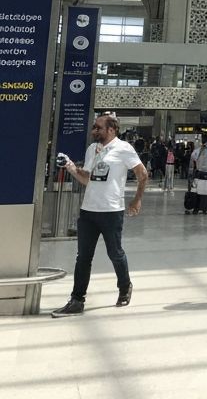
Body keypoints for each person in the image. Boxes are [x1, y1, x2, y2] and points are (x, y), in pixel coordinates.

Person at [51, 113, 148, 317]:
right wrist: (70, 166)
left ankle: (125, 286)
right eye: (94, 127)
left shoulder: (124, 149)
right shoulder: (91, 149)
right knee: (83, 257)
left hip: (111, 211)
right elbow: (87, 179)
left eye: (98, 127)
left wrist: (137, 199)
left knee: (115, 253)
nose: (94, 130)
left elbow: (142, 174)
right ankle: (77, 300)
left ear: (111, 130)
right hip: (88, 211)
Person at [188, 133, 207, 215]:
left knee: (197, 192)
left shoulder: (197, 150)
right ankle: (205, 209)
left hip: (198, 174)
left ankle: (196, 208)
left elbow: (192, 158)